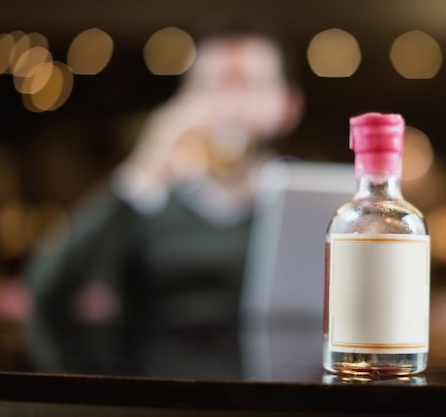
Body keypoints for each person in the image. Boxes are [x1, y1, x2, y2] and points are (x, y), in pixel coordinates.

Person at [24, 20, 304, 376]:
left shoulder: (311, 208)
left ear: (289, 104)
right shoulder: (149, 202)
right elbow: (47, 289)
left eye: (249, 84)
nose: (231, 103)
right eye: (212, 85)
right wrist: (142, 170)